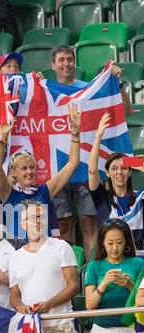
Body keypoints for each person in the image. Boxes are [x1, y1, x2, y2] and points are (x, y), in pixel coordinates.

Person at [50, 45, 133, 261]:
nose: (66, 63)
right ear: (53, 65)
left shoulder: (89, 90)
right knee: (63, 225)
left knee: (88, 222)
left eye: (70, 59)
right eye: (61, 60)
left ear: (75, 63)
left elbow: (126, 111)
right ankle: (69, 274)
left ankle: (88, 273)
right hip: (57, 170)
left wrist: (116, 84)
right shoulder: (45, 92)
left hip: (85, 170)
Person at [0, 102, 81, 239]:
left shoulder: (44, 191)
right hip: (18, 255)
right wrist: (3, 138)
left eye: (32, 167)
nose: (29, 172)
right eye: (24, 168)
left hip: (44, 253)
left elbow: (73, 163)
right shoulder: (9, 194)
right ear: (13, 172)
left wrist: (75, 132)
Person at [9, 200, 79, 333]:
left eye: (42, 217)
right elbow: (14, 294)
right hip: (30, 326)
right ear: (23, 224)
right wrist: (20, 306)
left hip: (60, 324)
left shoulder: (61, 247)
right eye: (34, 217)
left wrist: (49, 304)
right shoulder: (15, 257)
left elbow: (74, 286)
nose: (39, 220)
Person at [88, 113, 144, 258]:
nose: (119, 172)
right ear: (107, 173)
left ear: (130, 172)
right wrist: (98, 137)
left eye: (124, 168)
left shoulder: (140, 197)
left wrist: (142, 167)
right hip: (108, 260)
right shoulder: (103, 199)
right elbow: (92, 171)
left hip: (137, 259)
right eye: (114, 168)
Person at [85, 218, 144, 333]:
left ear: (126, 242)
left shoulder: (138, 263)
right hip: (101, 332)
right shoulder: (94, 266)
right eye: (110, 243)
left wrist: (130, 285)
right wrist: (104, 283)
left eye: (119, 242)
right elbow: (89, 305)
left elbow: (141, 299)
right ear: (102, 243)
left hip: (132, 331)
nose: (115, 248)